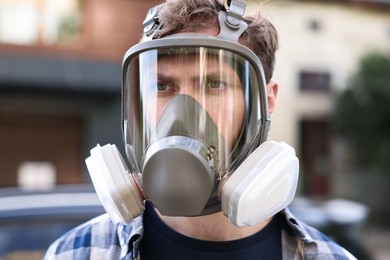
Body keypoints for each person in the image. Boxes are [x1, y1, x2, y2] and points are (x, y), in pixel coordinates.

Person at [44, 0, 356, 259]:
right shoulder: (74, 253)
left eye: (214, 83)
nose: (182, 112)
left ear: (267, 99)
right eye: (161, 85)